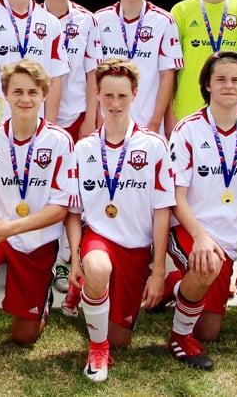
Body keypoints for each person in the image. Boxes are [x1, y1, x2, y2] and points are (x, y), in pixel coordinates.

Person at [0, 59, 78, 371]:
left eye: (33, 92)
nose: (24, 99)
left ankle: (41, 300)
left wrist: (13, 227)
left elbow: (61, 208)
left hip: (36, 241)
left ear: (44, 95)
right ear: (5, 94)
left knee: (24, 337)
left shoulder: (59, 141)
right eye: (17, 91)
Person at [67, 58, 174, 382]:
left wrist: (157, 271)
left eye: (122, 97)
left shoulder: (154, 146)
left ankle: (91, 296)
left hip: (136, 247)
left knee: (121, 340)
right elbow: (73, 212)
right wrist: (74, 258)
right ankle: (97, 349)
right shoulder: (83, 148)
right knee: (97, 268)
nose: (114, 104)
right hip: (99, 238)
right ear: (96, 93)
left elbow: (162, 210)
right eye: (108, 95)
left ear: (135, 95)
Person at [165, 52, 237, 370]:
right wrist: (199, 237)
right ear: (207, 85)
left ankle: (173, 286)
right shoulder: (188, 130)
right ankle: (179, 338)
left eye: (236, 80)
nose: (229, 85)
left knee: (209, 330)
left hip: (226, 242)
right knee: (205, 267)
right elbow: (176, 196)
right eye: (221, 79)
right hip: (187, 230)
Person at [37, 0, 102, 303]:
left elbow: (93, 71)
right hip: (36, 117)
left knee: (71, 190)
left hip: (75, 114)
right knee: (38, 185)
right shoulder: (29, 18)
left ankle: (65, 258)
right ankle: (34, 250)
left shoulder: (87, 20)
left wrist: (91, 117)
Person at [95, 0, 182, 136]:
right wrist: (97, 117)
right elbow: (93, 73)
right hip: (108, 122)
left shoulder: (163, 21)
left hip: (147, 124)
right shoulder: (100, 20)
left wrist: (155, 121)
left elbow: (168, 75)